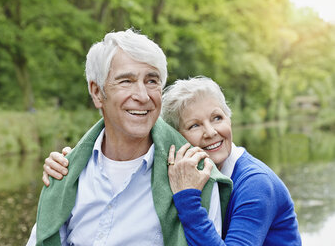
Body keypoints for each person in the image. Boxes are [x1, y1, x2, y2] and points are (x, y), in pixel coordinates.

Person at [27, 30, 233, 246]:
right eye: (126, 81)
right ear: (97, 92)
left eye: (152, 81)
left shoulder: (196, 176)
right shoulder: (66, 173)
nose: (143, 96)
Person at [45, 76, 302, 245]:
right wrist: (70, 164)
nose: (211, 132)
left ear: (230, 118)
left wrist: (188, 201)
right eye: (194, 125)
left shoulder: (256, 184)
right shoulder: (182, 168)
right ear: (176, 138)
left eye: (217, 118)